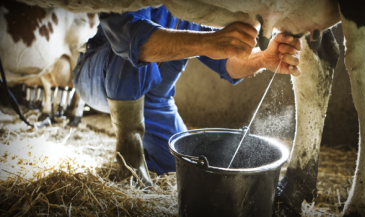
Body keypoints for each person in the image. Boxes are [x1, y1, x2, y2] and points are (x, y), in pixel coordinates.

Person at [73, 5, 302, 185]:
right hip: (98, 75)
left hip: (155, 101)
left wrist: (262, 58)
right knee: (131, 49)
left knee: (182, 165)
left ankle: (147, 152)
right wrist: (208, 42)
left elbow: (227, 62)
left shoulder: (195, 7)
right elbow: (130, 38)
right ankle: (128, 160)